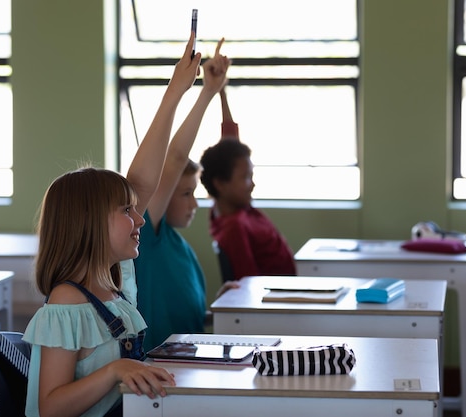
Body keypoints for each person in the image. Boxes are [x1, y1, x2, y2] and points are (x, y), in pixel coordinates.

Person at [23, 33, 201, 417]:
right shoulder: (67, 303)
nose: (139, 218)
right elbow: (51, 407)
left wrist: (175, 92)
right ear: (88, 225)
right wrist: (114, 371)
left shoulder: (113, 284)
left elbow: (141, 182)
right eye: (126, 212)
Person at [127, 38, 237, 352]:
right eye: (186, 193)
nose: (195, 203)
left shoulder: (178, 246)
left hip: (185, 363)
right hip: (157, 371)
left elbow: (182, 320)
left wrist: (216, 310)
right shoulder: (145, 233)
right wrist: (203, 93)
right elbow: (175, 157)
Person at [199, 86, 297, 281]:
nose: (252, 184)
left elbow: (230, 144)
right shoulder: (234, 226)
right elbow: (249, 282)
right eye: (246, 178)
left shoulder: (230, 206)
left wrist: (221, 92)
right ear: (220, 183)